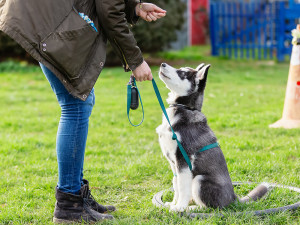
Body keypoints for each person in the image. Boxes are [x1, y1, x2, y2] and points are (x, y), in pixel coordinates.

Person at [0, 0, 166, 223]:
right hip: (44, 17)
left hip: (44, 13)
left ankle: (76, 195)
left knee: (80, 102)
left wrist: (134, 7)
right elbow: (109, 11)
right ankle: (69, 205)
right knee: (75, 106)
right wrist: (135, 60)